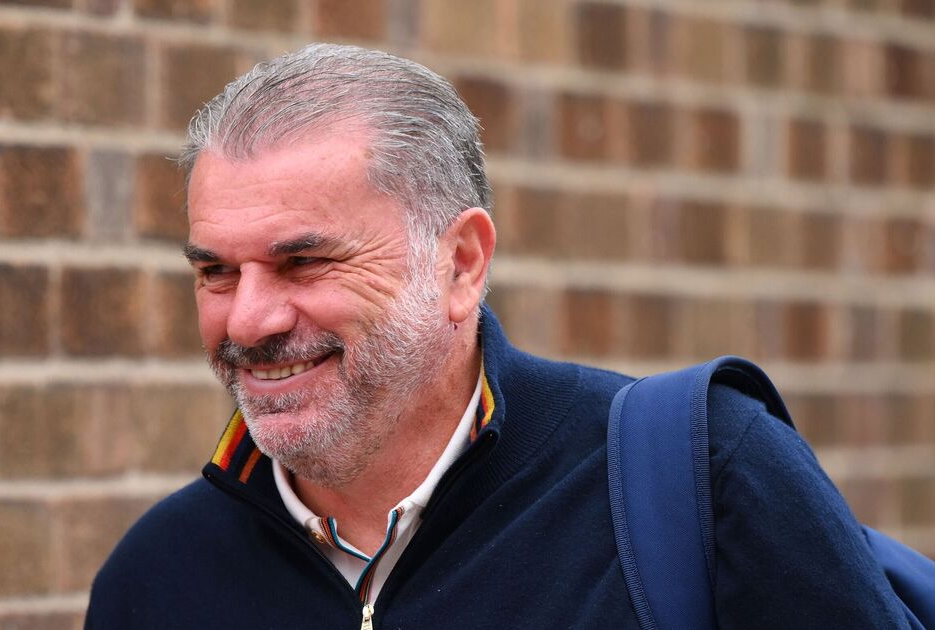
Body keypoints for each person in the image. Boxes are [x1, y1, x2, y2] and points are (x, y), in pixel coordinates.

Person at [86, 43, 908, 629]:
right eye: (216, 272)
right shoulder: (155, 578)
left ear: (461, 264)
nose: (246, 320)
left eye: (303, 262)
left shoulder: (706, 480)